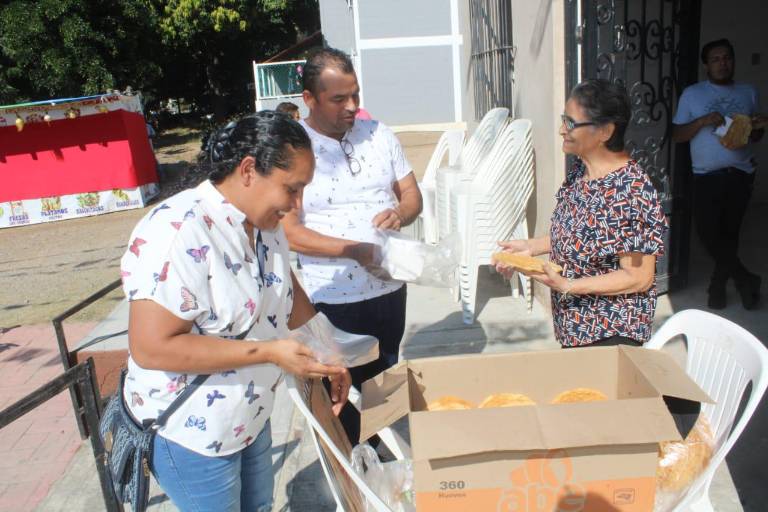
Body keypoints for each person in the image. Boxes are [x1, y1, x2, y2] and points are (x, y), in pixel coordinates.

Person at [120, 111, 351, 511]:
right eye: (291, 189)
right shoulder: (177, 230)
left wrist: (328, 352)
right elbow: (152, 348)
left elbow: (287, 291)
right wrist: (270, 352)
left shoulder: (266, 224)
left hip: (249, 415)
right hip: (192, 432)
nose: (297, 204)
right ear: (248, 170)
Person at [282, 47, 423, 445]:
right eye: (339, 99)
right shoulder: (293, 150)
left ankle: (384, 460)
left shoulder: (379, 134)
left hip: (390, 288)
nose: (352, 107)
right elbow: (290, 232)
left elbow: (412, 196)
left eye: (356, 95)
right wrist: (354, 250)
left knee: (384, 378)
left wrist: (400, 213)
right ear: (309, 99)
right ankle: (358, 473)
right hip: (331, 298)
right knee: (342, 395)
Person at [496, 79, 668, 348]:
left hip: (611, 334)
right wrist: (531, 247)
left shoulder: (632, 191)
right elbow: (578, 235)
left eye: (571, 123)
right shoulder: (581, 172)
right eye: (564, 120)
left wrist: (568, 285)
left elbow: (638, 277)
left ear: (605, 131)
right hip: (575, 326)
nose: (561, 129)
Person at [672, 38, 766, 310]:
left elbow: (754, 136)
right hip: (706, 175)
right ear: (706, 65)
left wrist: (757, 126)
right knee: (707, 233)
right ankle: (746, 278)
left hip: (740, 172)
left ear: (733, 61)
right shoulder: (692, 94)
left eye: (727, 58)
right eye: (716, 59)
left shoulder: (748, 92)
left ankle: (719, 285)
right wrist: (702, 121)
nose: (722, 63)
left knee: (730, 233)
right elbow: (678, 135)